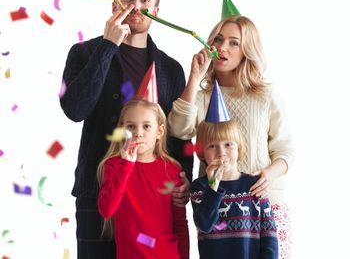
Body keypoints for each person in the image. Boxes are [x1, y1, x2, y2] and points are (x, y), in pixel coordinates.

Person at [60, 0, 193, 259]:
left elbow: (177, 131)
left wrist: (186, 177)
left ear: (156, 12)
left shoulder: (170, 69)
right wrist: (108, 45)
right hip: (98, 193)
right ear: (114, 6)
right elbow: (74, 109)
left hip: (152, 200)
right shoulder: (83, 53)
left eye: (145, 0)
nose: (135, 6)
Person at [168, 14, 295, 258]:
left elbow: (285, 150)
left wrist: (268, 174)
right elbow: (178, 128)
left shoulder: (266, 95)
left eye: (233, 42)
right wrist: (194, 76)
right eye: (218, 39)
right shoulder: (202, 95)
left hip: (264, 204)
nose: (222, 47)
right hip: (217, 208)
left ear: (247, 50)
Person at [190, 82, 278, 258]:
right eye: (212, 146)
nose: (221, 152)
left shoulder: (254, 185)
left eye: (228, 144)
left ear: (239, 149)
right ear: (202, 152)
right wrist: (213, 186)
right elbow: (205, 224)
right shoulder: (200, 188)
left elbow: (269, 235)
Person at [97, 98, 189, 259]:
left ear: (159, 132)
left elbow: (180, 223)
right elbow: (106, 210)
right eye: (131, 126)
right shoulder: (114, 166)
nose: (138, 133)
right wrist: (126, 165)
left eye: (146, 126)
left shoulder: (172, 170)